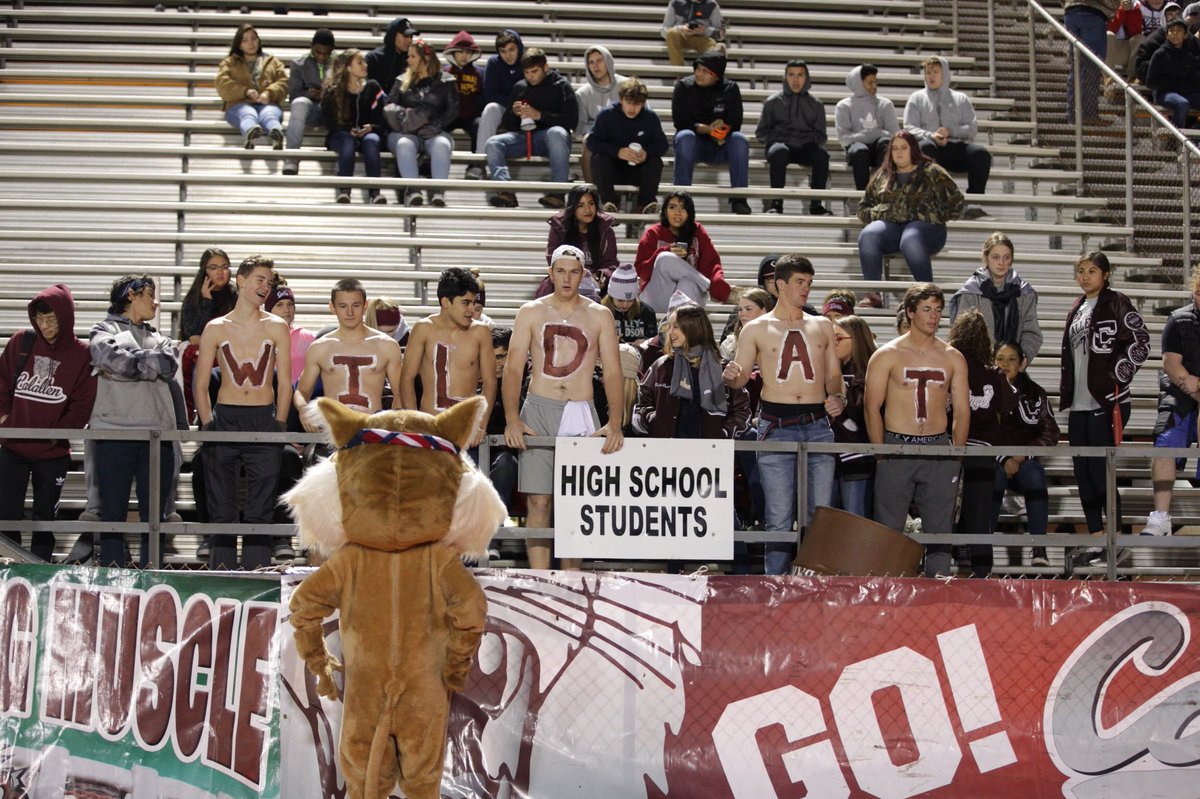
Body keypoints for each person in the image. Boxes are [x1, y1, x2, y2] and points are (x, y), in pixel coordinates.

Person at [503, 244, 625, 570]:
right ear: (551, 273)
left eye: (573, 272)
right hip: (538, 407)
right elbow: (513, 367)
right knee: (538, 501)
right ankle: (541, 579)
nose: (567, 278)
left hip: (580, 409)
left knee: (576, 503)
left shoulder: (599, 314)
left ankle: (571, 578)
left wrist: (615, 421)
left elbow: (613, 370)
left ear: (583, 274)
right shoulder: (531, 311)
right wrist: (512, 418)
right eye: (561, 271)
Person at [722, 254, 846, 575]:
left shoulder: (822, 325)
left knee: (819, 514)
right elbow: (740, 377)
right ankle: (776, 587)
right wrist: (731, 376)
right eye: (800, 282)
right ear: (780, 285)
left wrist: (838, 396)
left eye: (809, 283)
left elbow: (834, 375)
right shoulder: (756, 328)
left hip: (817, 423)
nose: (806, 288)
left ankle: (813, 582)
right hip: (776, 424)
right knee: (778, 516)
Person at [864, 283, 970, 578]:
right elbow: (871, 407)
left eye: (937, 310)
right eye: (926, 309)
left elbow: (962, 410)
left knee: (940, 528)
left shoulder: (952, 356)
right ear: (910, 312)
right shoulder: (887, 354)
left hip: (938, 447)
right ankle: (888, 587)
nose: (933, 316)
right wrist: (880, 453)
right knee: (889, 527)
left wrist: (956, 454)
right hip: (896, 445)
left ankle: (938, 586)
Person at [193, 255, 292, 570]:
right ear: (241, 280)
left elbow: (285, 382)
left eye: (269, 282)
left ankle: (256, 578)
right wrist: (208, 423)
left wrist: (279, 423)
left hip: (263, 417)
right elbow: (200, 383)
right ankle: (221, 577)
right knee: (221, 506)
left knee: (260, 508)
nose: (266, 286)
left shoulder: (276, 326)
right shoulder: (216, 327)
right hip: (225, 417)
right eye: (260, 279)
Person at [1058, 251, 1151, 567]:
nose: (1085, 276)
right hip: (1078, 404)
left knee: (1101, 474)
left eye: (1092, 271)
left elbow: (1141, 341)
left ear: (1106, 274)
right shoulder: (1077, 307)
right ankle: (1098, 541)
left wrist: (1118, 374)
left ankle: (1117, 542)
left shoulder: (1116, 302)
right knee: (1083, 475)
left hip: (1106, 401)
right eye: (1081, 270)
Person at [90, 275, 185, 568]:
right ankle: (111, 578)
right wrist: (147, 365)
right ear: (132, 295)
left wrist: (129, 364)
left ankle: (152, 578)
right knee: (112, 514)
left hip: (157, 436)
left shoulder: (164, 340)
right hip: (112, 434)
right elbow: (109, 357)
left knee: (155, 517)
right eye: (151, 295)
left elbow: (168, 363)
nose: (156, 303)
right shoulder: (102, 330)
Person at [0, 285, 96, 561]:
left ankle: (39, 567)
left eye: (51, 319)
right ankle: (8, 567)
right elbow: (2, 383)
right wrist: (4, 418)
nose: (45, 326)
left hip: (52, 454)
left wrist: (57, 434)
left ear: (65, 317)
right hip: (12, 448)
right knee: (6, 514)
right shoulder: (22, 342)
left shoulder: (82, 354)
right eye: (39, 319)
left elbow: (83, 403)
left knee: (45, 518)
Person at [948, 309, 1018, 578]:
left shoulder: (950, 365)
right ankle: (982, 571)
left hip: (952, 445)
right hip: (983, 450)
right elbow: (1009, 403)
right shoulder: (993, 374)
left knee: (944, 510)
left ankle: (941, 565)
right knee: (979, 514)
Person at [399, 268, 496, 444]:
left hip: (466, 429)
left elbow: (490, 381)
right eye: (465, 303)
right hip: (430, 427)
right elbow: (407, 378)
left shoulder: (481, 332)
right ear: (445, 302)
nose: (471, 309)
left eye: (474, 303)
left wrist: (481, 424)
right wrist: (414, 423)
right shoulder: (423, 329)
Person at [857, 130, 964, 285]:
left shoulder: (932, 172)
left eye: (904, 147)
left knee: (910, 238)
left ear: (912, 149)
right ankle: (872, 293)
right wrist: (883, 213)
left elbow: (957, 204)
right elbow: (863, 208)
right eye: (895, 148)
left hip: (928, 230)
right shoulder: (882, 175)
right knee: (868, 235)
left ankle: (927, 292)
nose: (899, 152)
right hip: (892, 229)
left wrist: (928, 215)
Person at [294, 279, 405, 422]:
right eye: (343, 306)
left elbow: (401, 393)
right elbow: (302, 391)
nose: (350, 312)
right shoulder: (319, 347)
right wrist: (303, 409)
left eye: (356, 305)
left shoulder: (387, 345)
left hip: (372, 428)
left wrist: (395, 421)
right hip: (334, 428)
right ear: (332, 307)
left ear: (365, 305)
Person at [994, 340, 1060, 567]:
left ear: (1022, 363)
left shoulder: (1035, 393)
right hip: (992, 462)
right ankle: (982, 545)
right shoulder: (984, 391)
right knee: (993, 476)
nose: (1005, 364)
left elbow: (1051, 432)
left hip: (1024, 462)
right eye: (1000, 359)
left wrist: (1021, 456)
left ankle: (1039, 547)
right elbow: (977, 433)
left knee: (1035, 473)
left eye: (1012, 359)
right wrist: (1003, 459)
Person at [485, 47, 577, 209]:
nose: (530, 76)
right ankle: (505, 191)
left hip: (552, 140)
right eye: (527, 72)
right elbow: (507, 123)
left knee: (556, 133)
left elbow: (571, 122)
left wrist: (540, 116)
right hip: (523, 138)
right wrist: (514, 114)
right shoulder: (520, 87)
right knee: (493, 143)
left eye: (534, 71)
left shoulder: (561, 86)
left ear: (545, 67)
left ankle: (557, 193)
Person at [1145, 268, 1200, 537]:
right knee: (1165, 443)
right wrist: (1192, 385)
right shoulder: (1178, 319)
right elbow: (1171, 364)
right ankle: (1161, 517)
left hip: (1196, 387)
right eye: (1198, 292)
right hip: (1180, 395)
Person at [903, 56, 991, 219]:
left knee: (981, 154)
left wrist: (951, 131)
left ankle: (974, 203)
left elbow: (972, 129)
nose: (931, 76)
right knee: (925, 148)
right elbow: (909, 127)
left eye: (935, 72)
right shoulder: (916, 98)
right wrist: (930, 135)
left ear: (945, 74)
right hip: (930, 148)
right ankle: (933, 201)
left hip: (955, 147)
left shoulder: (961, 98)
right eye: (928, 72)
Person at [671, 50, 751, 215]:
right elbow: (680, 122)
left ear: (716, 76)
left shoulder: (730, 88)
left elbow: (736, 123)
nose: (698, 74)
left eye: (705, 71)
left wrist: (724, 128)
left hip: (721, 145)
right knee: (684, 136)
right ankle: (681, 199)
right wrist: (706, 129)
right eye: (697, 69)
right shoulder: (683, 87)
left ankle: (739, 198)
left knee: (739, 139)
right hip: (694, 145)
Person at [948, 232, 1044, 364]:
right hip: (979, 367)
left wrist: (1023, 358)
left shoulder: (1023, 292)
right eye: (995, 257)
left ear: (1011, 260)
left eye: (1006, 257)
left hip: (1013, 368)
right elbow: (962, 337)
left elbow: (1031, 332)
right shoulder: (971, 292)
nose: (1001, 263)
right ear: (986, 258)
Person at [384, 38, 458, 207]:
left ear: (425, 59)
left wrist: (436, 126)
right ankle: (413, 191)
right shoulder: (401, 80)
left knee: (441, 145)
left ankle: (438, 192)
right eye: (408, 56)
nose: (408, 60)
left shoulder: (447, 80)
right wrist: (408, 119)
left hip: (433, 131)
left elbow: (453, 110)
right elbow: (389, 105)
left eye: (412, 56)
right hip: (405, 131)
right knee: (404, 144)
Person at [756, 59, 831, 216]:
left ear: (806, 77)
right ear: (785, 77)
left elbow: (821, 136)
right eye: (791, 75)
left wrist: (802, 140)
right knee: (779, 152)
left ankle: (816, 204)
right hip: (780, 145)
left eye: (800, 75)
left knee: (822, 156)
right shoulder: (773, 102)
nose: (795, 80)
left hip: (805, 147)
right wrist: (783, 138)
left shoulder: (816, 104)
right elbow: (761, 133)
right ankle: (776, 203)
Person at [634, 191, 730, 312]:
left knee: (687, 282)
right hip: (657, 295)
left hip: (689, 296)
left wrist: (719, 281)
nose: (677, 213)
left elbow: (712, 262)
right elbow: (640, 270)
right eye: (672, 207)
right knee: (664, 258)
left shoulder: (698, 231)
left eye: (683, 208)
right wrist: (665, 250)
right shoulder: (653, 233)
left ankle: (682, 321)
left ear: (690, 212)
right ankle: (708, 286)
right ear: (665, 211)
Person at [587, 78, 668, 215]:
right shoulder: (606, 116)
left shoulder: (650, 118)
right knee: (598, 158)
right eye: (628, 102)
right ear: (621, 100)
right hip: (612, 170)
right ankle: (609, 203)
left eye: (637, 104)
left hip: (638, 171)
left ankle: (645, 204)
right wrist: (617, 151)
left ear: (643, 103)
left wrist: (646, 153)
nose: (632, 108)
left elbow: (662, 145)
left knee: (655, 161)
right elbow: (592, 142)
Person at [321, 49, 386, 204]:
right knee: (348, 140)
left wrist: (372, 127)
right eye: (360, 62)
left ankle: (375, 192)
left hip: (368, 133)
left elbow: (382, 117)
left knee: (371, 141)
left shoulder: (373, 87)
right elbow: (328, 120)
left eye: (364, 62)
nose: (365, 65)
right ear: (348, 67)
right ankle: (344, 190)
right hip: (340, 134)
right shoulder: (333, 90)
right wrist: (346, 129)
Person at [180, 247, 235, 422]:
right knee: (200, 360)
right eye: (214, 267)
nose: (220, 272)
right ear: (204, 270)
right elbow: (194, 336)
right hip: (204, 355)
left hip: (232, 352)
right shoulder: (194, 298)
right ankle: (203, 416)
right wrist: (206, 302)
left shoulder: (236, 296)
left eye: (224, 267)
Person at [830, 314, 876, 519]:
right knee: (823, 520)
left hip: (858, 456)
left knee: (855, 518)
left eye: (839, 338)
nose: (833, 343)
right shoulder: (832, 369)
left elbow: (864, 409)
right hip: (830, 455)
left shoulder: (871, 371)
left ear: (856, 339)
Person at [216, 24, 287, 149]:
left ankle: (276, 134)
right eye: (245, 40)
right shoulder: (229, 62)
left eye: (254, 39)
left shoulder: (273, 61)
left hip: (267, 103)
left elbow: (283, 82)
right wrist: (245, 92)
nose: (251, 43)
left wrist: (269, 93)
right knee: (247, 114)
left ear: (259, 41)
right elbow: (222, 83)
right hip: (238, 104)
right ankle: (250, 132)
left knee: (270, 114)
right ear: (239, 45)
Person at [541, 184, 619, 295]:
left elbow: (611, 263)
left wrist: (600, 276)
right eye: (580, 205)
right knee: (547, 287)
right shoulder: (559, 227)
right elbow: (553, 260)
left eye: (591, 204)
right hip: (567, 278)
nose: (587, 209)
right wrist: (577, 277)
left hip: (596, 282)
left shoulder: (605, 229)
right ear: (572, 208)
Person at [835, 64, 899, 193]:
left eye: (876, 82)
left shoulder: (886, 104)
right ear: (858, 83)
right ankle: (864, 195)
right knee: (860, 150)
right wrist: (869, 135)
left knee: (885, 144)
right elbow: (843, 139)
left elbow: (895, 134)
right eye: (870, 83)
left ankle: (883, 191)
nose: (874, 86)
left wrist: (876, 134)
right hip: (857, 150)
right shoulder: (843, 106)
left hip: (879, 148)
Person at [283, 28, 336, 175]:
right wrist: (310, 94)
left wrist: (324, 94)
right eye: (318, 52)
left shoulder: (340, 64)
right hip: (311, 109)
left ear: (332, 50)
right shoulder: (298, 64)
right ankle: (291, 159)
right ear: (311, 47)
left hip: (333, 110)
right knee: (299, 103)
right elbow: (294, 95)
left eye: (326, 53)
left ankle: (341, 163)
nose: (321, 57)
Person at [575, 45, 626, 183]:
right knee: (588, 140)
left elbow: (643, 114)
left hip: (624, 133)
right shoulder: (582, 94)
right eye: (591, 62)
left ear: (608, 61)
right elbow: (580, 127)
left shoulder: (626, 86)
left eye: (599, 60)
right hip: (597, 136)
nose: (595, 66)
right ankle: (590, 189)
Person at [476, 29, 526, 162]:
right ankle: (480, 161)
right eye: (503, 51)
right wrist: (513, 105)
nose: (508, 55)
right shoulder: (494, 63)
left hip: (526, 108)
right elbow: (490, 95)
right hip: (505, 107)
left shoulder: (527, 61)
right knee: (491, 108)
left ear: (519, 47)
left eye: (511, 50)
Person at [1065, 0, 1118, 123]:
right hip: (1092, 13)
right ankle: (1088, 115)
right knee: (1091, 66)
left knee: (1076, 66)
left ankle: (1073, 114)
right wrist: (1114, 5)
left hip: (1071, 12)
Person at [442, 31, 486, 174]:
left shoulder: (479, 73)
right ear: (453, 52)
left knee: (479, 125)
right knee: (435, 125)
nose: (464, 55)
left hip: (471, 116)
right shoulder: (444, 72)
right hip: (449, 114)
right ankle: (428, 163)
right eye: (460, 51)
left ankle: (475, 165)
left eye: (468, 52)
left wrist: (476, 109)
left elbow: (483, 96)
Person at [1147, 18, 1200, 129]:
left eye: (1179, 30)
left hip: (1185, 93)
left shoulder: (1188, 56)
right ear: (1167, 35)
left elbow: (1195, 79)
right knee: (1182, 104)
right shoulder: (1160, 54)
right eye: (1172, 30)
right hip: (1164, 93)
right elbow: (1151, 81)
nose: (1175, 34)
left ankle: (1195, 131)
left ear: (1185, 35)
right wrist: (1173, 86)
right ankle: (1176, 136)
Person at [265, 282, 315, 384]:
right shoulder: (258, 338)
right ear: (268, 310)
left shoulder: (309, 338)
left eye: (290, 304)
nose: (286, 310)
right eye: (279, 305)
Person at [603, 263, 659, 344]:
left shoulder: (647, 312)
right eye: (620, 300)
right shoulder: (600, 311)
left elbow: (654, 341)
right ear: (611, 296)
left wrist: (646, 342)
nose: (625, 305)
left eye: (630, 300)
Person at [1135, 2, 1186, 83]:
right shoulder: (1154, 39)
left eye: (1177, 14)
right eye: (1170, 14)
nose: (1174, 17)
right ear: (1164, 17)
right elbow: (1141, 67)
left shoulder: (1187, 37)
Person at [661, 0, 723, 66]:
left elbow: (720, 33)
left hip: (701, 38)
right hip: (680, 37)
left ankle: (715, 58)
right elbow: (664, 30)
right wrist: (681, 29)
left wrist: (705, 30)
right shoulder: (675, 2)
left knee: (711, 44)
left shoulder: (712, 4)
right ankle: (679, 69)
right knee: (671, 33)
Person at [365, 16, 417, 90]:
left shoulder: (412, 60)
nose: (409, 40)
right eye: (405, 36)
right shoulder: (373, 59)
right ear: (393, 35)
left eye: (411, 37)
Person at [1106, 0, 1146, 82]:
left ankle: (1132, 77)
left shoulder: (1135, 5)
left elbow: (1135, 32)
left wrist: (1130, 12)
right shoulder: (1107, 3)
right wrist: (1121, 11)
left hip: (1127, 50)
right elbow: (1111, 28)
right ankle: (1108, 77)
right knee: (1109, 35)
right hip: (1107, 51)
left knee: (1140, 38)